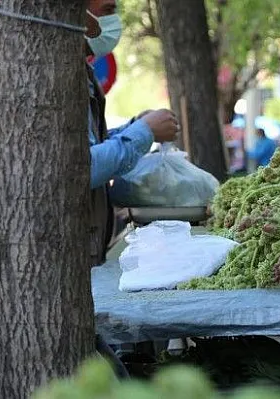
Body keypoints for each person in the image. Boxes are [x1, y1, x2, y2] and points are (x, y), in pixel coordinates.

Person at [86, 0, 179, 266]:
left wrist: (134, 125)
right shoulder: (56, 77)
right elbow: (84, 166)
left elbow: (91, 143)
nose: (114, 23)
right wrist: (144, 131)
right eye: (108, 11)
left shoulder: (83, 73)